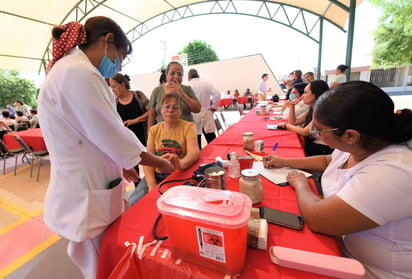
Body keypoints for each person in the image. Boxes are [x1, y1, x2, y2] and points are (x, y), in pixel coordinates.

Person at [37, 17, 174, 279]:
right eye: (120, 57)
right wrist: (158, 162)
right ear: (108, 41)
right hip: (86, 193)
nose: (118, 66)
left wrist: (121, 165)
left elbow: (91, 133)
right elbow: (111, 133)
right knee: (101, 267)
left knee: (102, 260)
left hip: (90, 184)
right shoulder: (78, 72)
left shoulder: (72, 69)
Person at [263, 81, 412, 278]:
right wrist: (285, 161)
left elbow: (318, 218)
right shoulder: (360, 145)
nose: (315, 134)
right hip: (344, 252)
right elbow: (328, 160)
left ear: (351, 135)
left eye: (319, 130)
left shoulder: (394, 171)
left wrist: (301, 183)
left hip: (373, 272)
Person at [128, 93, 199, 205]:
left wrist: (179, 164)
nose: (170, 110)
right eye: (167, 106)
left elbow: (193, 153)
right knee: (133, 205)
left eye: (175, 108)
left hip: (178, 175)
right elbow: (147, 160)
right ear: (161, 109)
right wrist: (151, 184)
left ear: (180, 111)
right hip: (156, 175)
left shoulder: (188, 127)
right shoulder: (154, 130)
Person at [109, 73, 149, 183]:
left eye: (114, 86)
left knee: (150, 167)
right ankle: (139, 192)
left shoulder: (138, 95)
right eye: (111, 87)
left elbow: (151, 112)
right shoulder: (114, 103)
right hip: (128, 144)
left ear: (122, 84)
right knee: (134, 173)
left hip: (144, 137)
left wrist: (135, 120)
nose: (113, 90)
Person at [277, 80, 333, 156]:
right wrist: (292, 106)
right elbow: (293, 122)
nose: (303, 96)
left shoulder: (322, 111)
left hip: (321, 149)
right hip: (311, 144)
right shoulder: (312, 109)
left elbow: (304, 132)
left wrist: (286, 125)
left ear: (315, 95)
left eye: (306, 93)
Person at [147, 61, 201, 127]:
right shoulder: (157, 91)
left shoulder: (187, 89)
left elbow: (197, 109)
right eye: (172, 73)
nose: (176, 76)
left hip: (186, 133)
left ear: (182, 76)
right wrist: (149, 132)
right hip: (163, 133)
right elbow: (152, 114)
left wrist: (182, 94)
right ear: (166, 74)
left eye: (179, 74)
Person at [187, 68, 221, 149]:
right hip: (206, 111)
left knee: (196, 139)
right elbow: (217, 95)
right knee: (211, 138)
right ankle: (214, 155)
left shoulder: (187, 86)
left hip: (193, 114)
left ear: (188, 77)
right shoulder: (207, 84)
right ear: (198, 75)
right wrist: (213, 107)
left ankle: (199, 158)